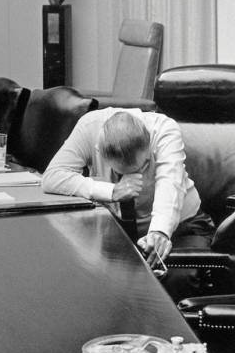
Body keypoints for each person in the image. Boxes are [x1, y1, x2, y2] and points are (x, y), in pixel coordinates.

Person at [42, 108, 214, 269]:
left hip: (183, 226)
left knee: (172, 277)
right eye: (120, 173)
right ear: (99, 151)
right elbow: (53, 176)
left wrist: (160, 231)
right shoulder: (89, 128)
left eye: (144, 166)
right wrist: (112, 190)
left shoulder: (163, 129)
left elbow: (170, 182)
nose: (136, 178)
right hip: (119, 230)